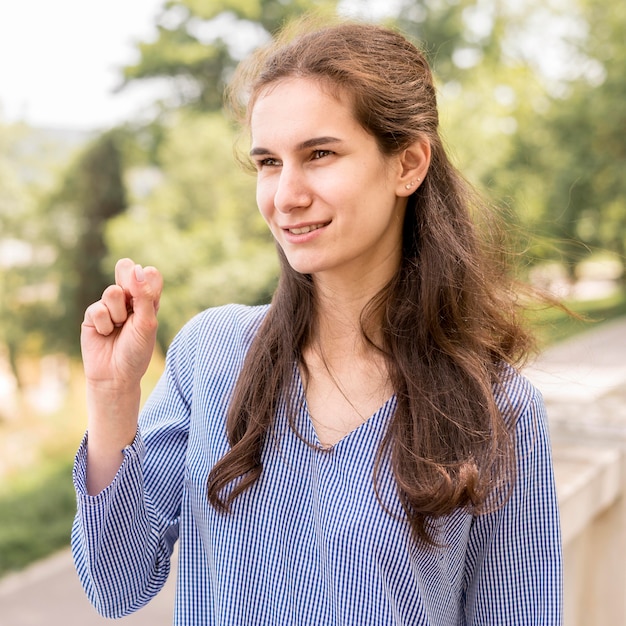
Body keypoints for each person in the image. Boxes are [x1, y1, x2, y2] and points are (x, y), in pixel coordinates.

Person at [71, 19, 562, 626]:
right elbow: (115, 585)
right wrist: (111, 395)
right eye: (269, 163)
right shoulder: (211, 352)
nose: (286, 195)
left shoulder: (496, 408)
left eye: (320, 154)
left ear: (407, 164)